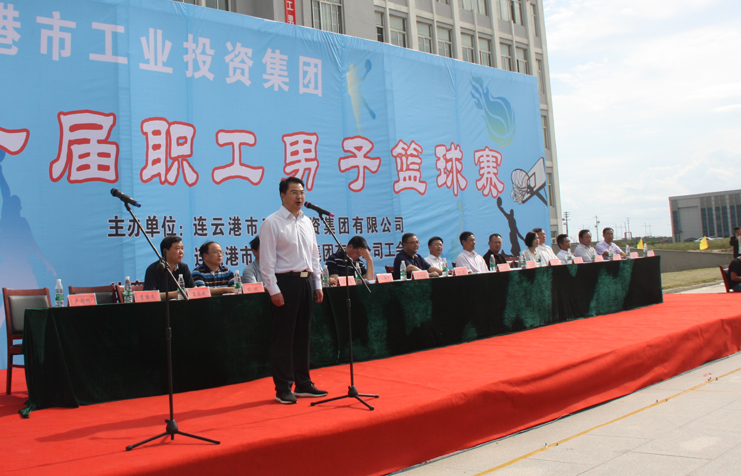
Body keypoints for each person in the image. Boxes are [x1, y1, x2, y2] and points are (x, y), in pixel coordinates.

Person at [260, 176, 326, 405]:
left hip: (306, 282)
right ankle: (283, 387)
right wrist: (273, 290)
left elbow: (314, 255)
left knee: (302, 335)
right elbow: (266, 261)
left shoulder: (307, 221)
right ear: (282, 195)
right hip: (285, 283)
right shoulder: (272, 222)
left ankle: (303, 383)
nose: (299, 197)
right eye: (294, 192)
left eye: (302, 192)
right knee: (283, 338)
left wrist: (317, 283)